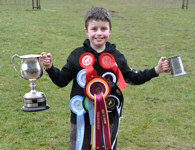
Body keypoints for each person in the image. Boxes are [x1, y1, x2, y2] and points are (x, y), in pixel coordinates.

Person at [42, 6, 169, 150]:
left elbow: (133, 77)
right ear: (86, 31)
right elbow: (61, 80)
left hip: (108, 117)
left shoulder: (117, 57)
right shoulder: (76, 55)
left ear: (110, 30)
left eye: (103, 29)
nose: (99, 33)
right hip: (80, 117)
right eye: (94, 29)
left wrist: (156, 70)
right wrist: (50, 67)